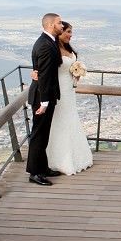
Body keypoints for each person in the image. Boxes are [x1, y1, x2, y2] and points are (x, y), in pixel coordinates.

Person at [44, 21, 93, 175]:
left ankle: (76, 156)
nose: (71, 35)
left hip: (69, 90)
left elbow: (70, 68)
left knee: (71, 119)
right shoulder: (53, 50)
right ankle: (59, 159)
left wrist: (76, 74)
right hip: (58, 91)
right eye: (68, 32)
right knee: (60, 121)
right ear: (60, 32)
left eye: (71, 32)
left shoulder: (68, 49)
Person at [25, 13, 63, 186]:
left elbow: (41, 71)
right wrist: (45, 102)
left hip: (43, 95)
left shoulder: (48, 41)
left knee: (43, 134)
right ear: (50, 25)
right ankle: (35, 173)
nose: (61, 26)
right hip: (42, 97)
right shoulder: (45, 45)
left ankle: (43, 167)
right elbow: (45, 75)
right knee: (38, 136)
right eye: (59, 23)